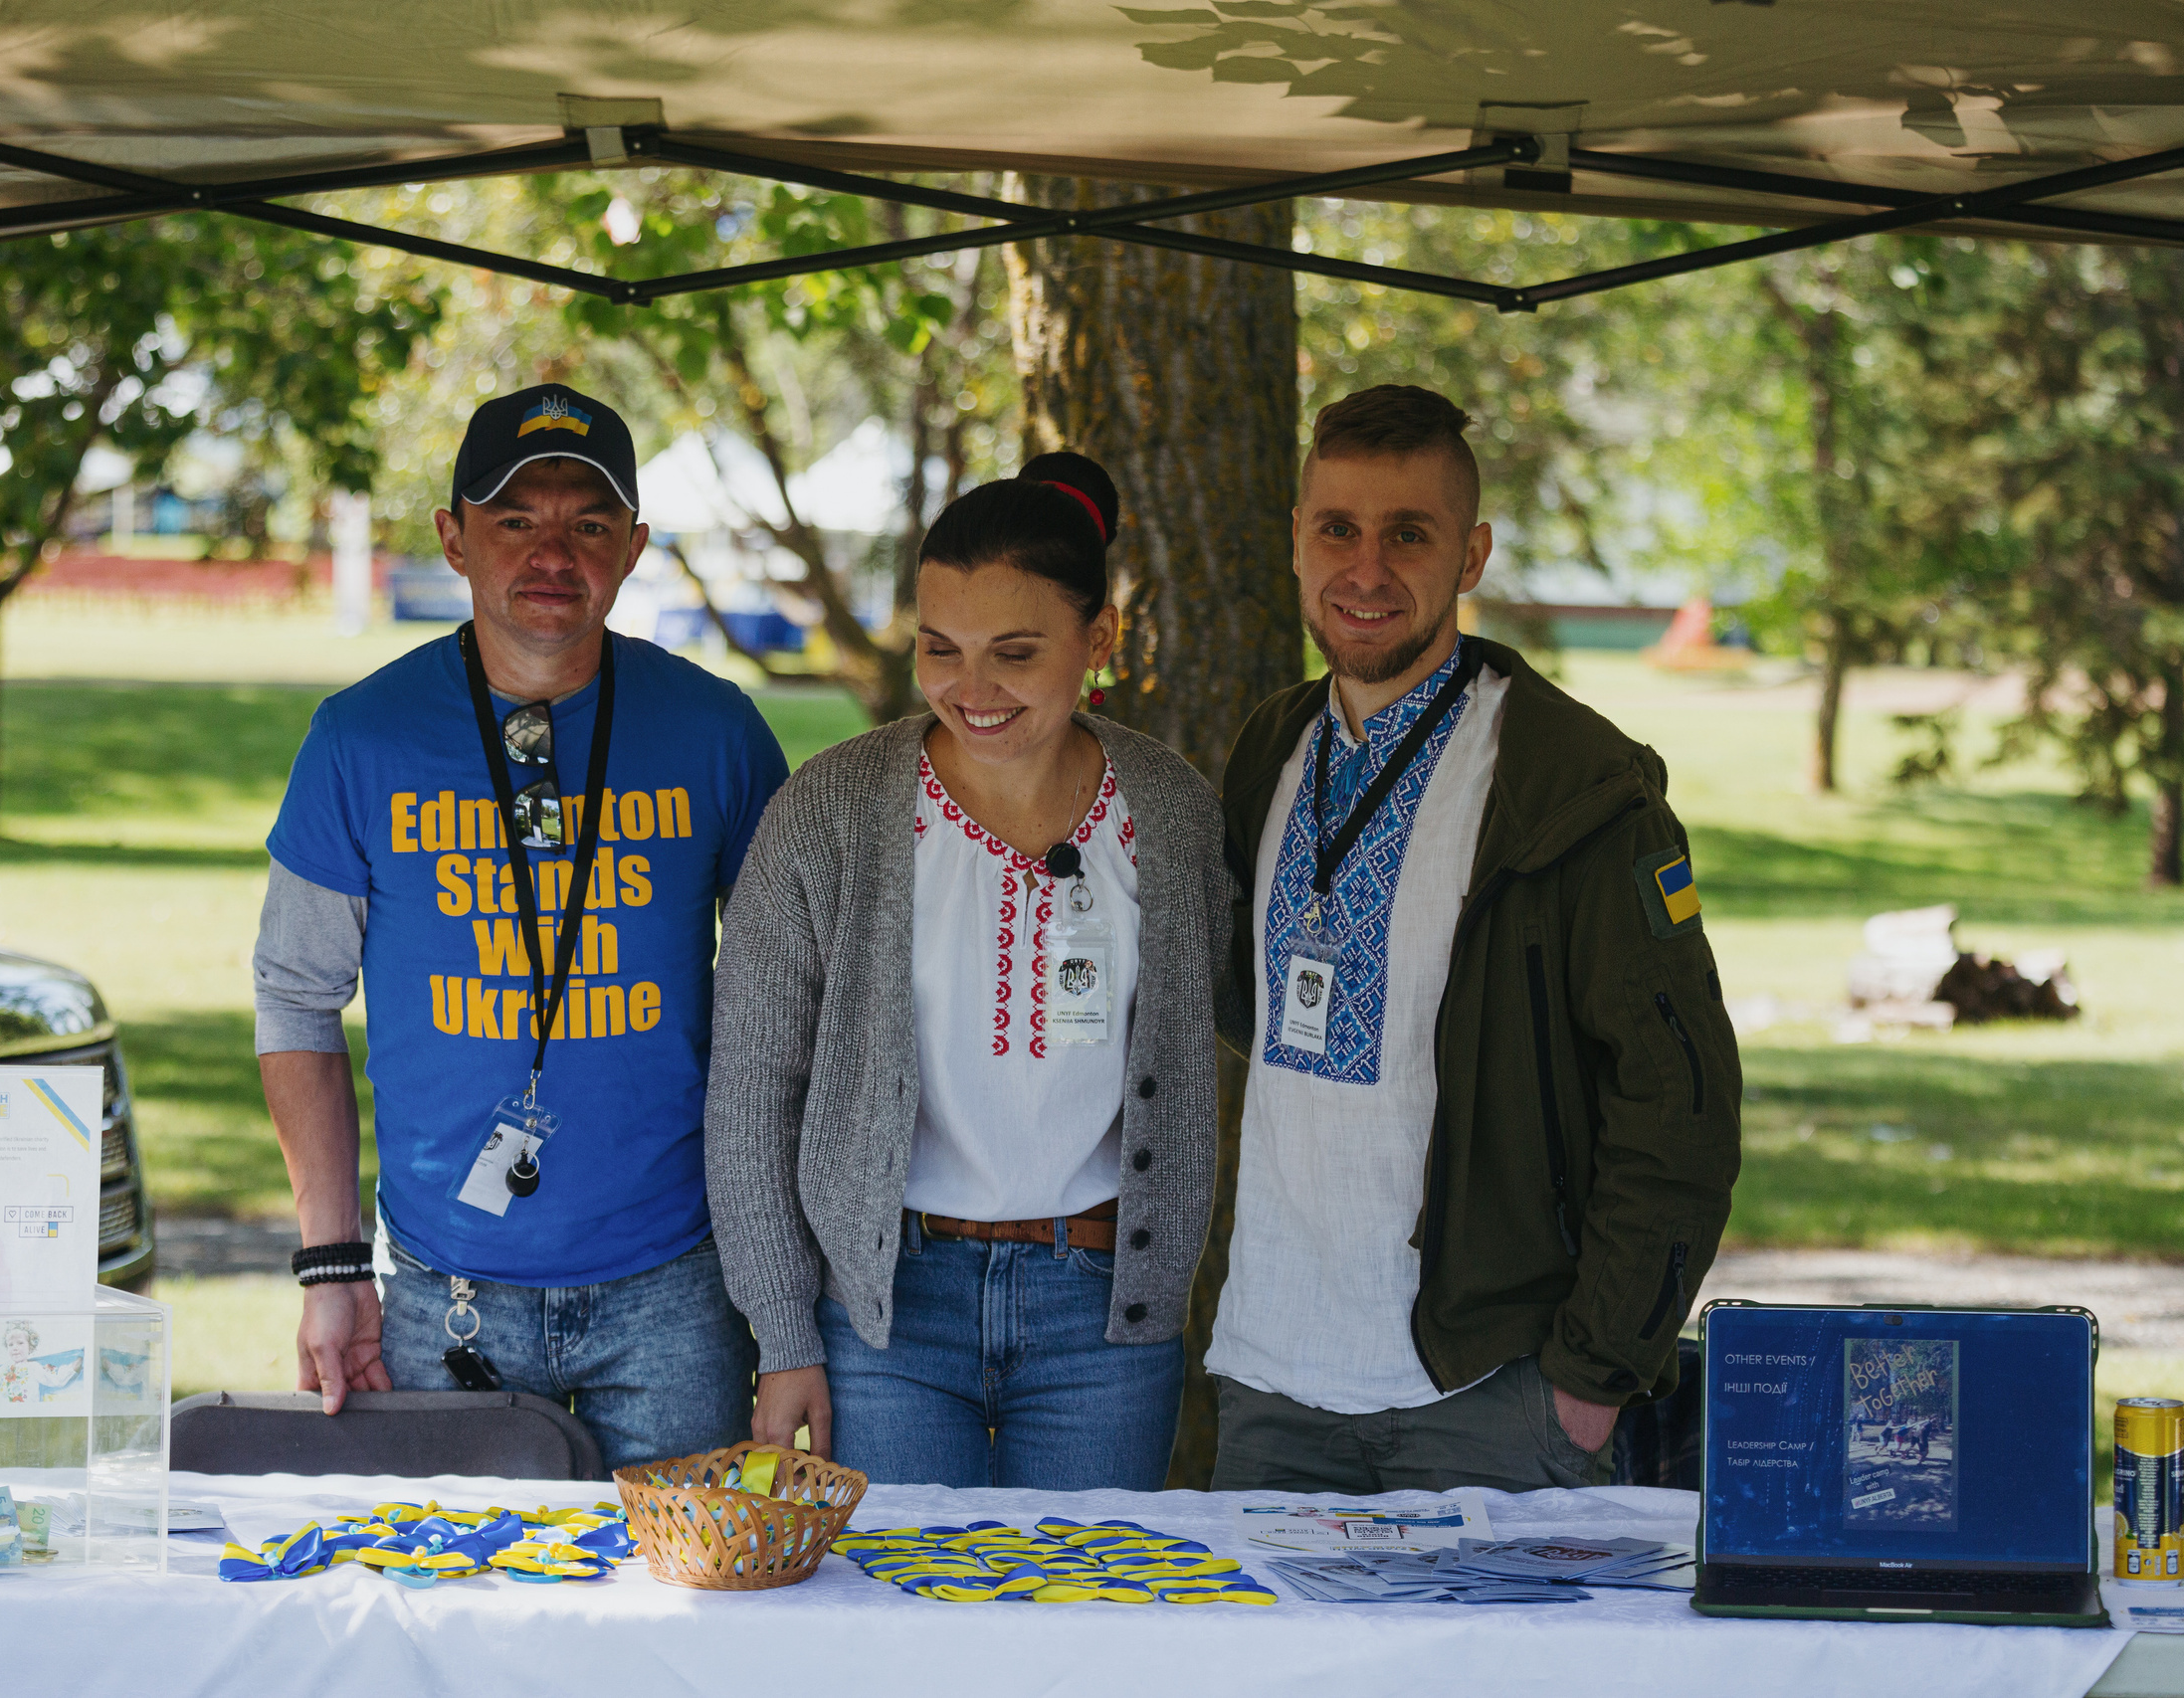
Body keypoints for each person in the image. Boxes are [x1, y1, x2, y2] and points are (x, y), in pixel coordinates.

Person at [1206, 384, 1741, 1495]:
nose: (1366, 569)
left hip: (1490, 1392)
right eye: (1337, 529)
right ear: (1296, 541)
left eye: (1409, 534)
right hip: (1271, 1381)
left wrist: (1596, 1373)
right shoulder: (1272, 746)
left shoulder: (1573, 784)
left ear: (1472, 554)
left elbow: (1679, 1097)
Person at [255, 382, 788, 1468]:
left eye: (588, 524)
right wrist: (330, 1265)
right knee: (453, 1580)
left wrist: (781, 1299)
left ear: (634, 546)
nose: (552, 554)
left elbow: (792, 997)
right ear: (454, 538)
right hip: (443, 1297)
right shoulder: (360, 738)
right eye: (514, 520)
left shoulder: (717, 732)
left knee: (686, 1578)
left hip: (678, 1291)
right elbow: (295, 997)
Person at [704, 454, 1230, 1490]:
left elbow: (1219, 1015)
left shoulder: (1169, 816)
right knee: (900, 1591)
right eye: (939, 649)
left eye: (1014, 654)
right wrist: (784, 1333)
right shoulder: (830, 814)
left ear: (1099, 639)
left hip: (1103, 1314)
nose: (971, 690)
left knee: (1089, 1587)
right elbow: (753, 1090)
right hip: (887, 1310)